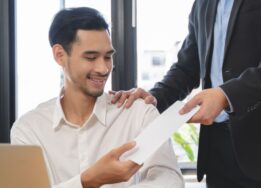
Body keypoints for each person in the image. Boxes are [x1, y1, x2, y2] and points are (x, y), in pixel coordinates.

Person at [111, 0, 261, 187]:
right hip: (217, 151)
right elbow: (187, 67)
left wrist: (227, 95)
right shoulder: (202, 4)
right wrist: (154, 97)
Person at [10, 7, 184, 188]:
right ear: (60, 55)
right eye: (91, 57)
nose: (103, 68)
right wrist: (87, 180)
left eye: (108, 57)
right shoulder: (28, 130)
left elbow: (170, 180)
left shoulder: (139, 113)